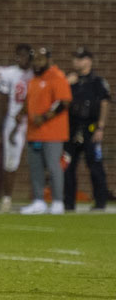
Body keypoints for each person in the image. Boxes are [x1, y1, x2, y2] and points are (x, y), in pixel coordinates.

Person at [20, 47, 71, 215]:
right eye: (35, 60)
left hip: (52, 132)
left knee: (53, 166)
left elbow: (63, 102)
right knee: (35, 168)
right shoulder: (33, 80)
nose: (37, 63)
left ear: (48, 60)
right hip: (34, 132)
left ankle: (57, 202)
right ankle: (38, 201)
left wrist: (45, 117)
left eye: (40, 60)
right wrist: (22, 113)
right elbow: (29, 103)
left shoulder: (56, 77)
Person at [65, 48, 109, 211]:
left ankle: (100, 202)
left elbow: (104, 104)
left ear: (89, 60)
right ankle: (68, 203)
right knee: (68, 166)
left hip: (91, 129)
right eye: (75, 58)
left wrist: (101, 127)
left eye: (81, 58)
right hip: (71, 129)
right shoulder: (69, 80)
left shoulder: (97, 82)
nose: (77, 61)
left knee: (95, 165)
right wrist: (65, 84)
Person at [0, 43, 33, 213]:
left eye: (25, 55)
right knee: (10, 161)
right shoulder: (8, 73)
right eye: (19, 55)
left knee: (38, 160)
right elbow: (2, 101)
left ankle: (38, 197)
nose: (21, 59)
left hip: (32, 121)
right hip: (13, 119)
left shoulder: (35, 74)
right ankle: (7, 198)